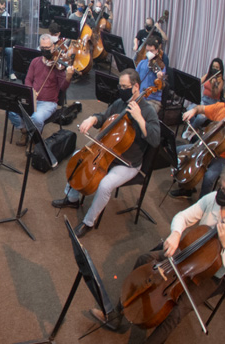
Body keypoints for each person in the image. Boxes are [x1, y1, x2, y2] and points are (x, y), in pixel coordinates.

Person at [93, 159, 225, 344]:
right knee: (144, 260)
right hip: (186, 253)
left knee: (177, 311)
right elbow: (184, 216)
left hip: (208, 276)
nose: (220, 193)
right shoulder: (213, 199)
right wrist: (176, 233)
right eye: (221, 186)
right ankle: (117, 312)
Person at [52, 69, 160, 236]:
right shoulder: (119, 103)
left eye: (125, 86)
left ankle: (88, 221)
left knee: (105, 185)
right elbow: (103, 117)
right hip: (107, 151)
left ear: (136, 86)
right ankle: (72, 198)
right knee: (77, 157)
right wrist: (92, 119)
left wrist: (139, 118)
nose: (121, 89)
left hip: (127, 162)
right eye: (120, 86)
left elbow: (155, 140)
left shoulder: (148, 111)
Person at [172, 82, 225, 200]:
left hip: (223, 156)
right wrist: (193, 111)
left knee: (209, 177)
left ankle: (202, 205)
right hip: (204, 146)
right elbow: (201, 108)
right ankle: (187, 188)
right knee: (176, 151)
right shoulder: (220, 107)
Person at [7, 34, 74, 145]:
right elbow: (28, 79)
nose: (46, 50)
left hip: (48, 102)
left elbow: (63, 87)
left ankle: (34, 138)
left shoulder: (58, 66)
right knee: (10, 108)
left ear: (53, 47)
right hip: (32, 98)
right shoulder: (35, 61)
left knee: (36, 118)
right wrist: (31, 91)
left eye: (48, 48)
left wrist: (68, 77)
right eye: (43, 48)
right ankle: (24, 131)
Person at [183, 57, 224, 137]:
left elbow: (215, 94)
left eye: (217, 67)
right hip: (203, 99)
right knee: (189, 109)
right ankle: (195, 129)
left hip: (212, 104)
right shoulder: (208, 75)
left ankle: (191, 129)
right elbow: (198, 83)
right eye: (213, 67)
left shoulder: (221, 81)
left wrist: (213, 85)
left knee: (200, 118)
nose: (214, 69)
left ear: (220, 69)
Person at [134, 36, 166, 114]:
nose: (149, 53)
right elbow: (135, 77)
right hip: (140, 96)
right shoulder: (142, 63)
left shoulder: (161, 66)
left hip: (153, 100)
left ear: (157, 51)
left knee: (144, 113)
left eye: (151, 51)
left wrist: (160, 78)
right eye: (147, 51)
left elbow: (161, 86)